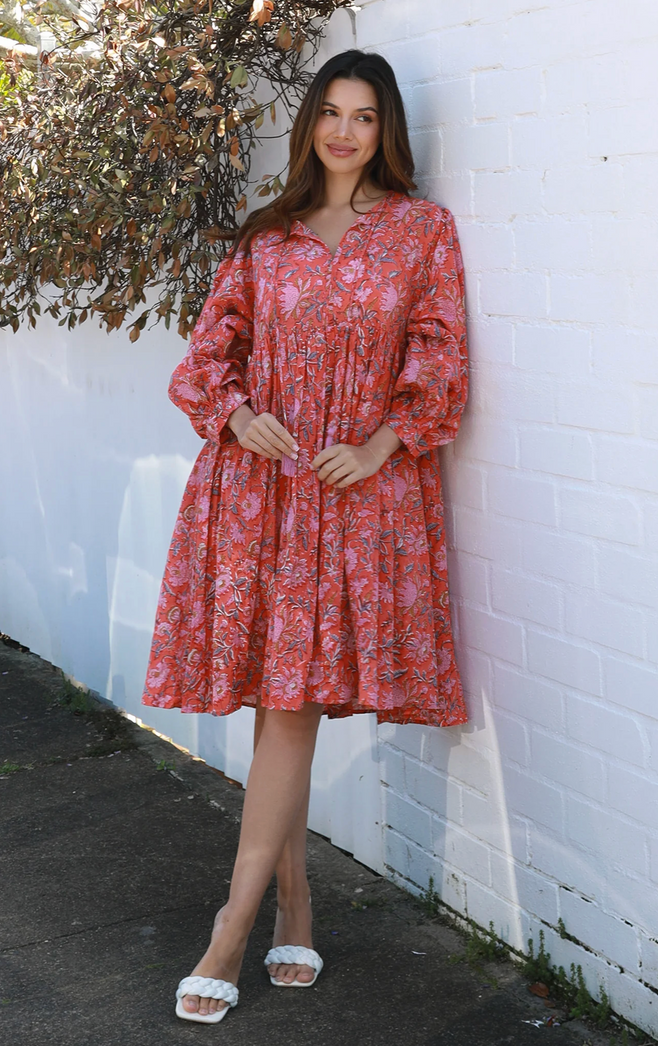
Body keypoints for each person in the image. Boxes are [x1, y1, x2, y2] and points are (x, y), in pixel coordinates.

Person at [141, 48, 468, 1024]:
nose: (343, 131)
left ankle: (233, 926)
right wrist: (238, 415)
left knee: (290, 707)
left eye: (364, 116)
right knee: (276, 701)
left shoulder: (421, 232)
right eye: (331, 111)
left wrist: (381, 444)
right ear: (310, 124)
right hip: (260, 494)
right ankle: (286, 901)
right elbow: (208, 355)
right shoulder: (267, 235)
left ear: (386, 130)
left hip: (357, 497)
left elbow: (442, 355)